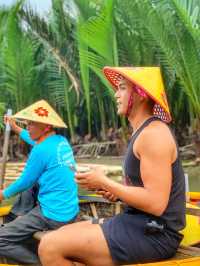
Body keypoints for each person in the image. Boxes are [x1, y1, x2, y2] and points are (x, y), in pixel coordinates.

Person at [38, 67, 186, 266]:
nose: (116, 94)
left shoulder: (153, 135)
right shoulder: (142, 132)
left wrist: (106, 182)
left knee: (50, 246)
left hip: (156, 234)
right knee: (60, 234)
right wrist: (115, 192)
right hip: (138, 223)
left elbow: (156, 203)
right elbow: (146, 190)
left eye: (122, 88)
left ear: (141, 94)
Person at [0, 99, 79, 264]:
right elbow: (33, 140)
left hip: (52, 214)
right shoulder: (60, 142)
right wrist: (15, 127)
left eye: (32, 124)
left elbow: (24, 182)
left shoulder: (40, 150)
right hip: (70, 209)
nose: (28, 127)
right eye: (27, 123)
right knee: (34, 186)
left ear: (46, 127)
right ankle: (18, 219)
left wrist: (3, 194)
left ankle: (40, 262)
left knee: (1, 240)